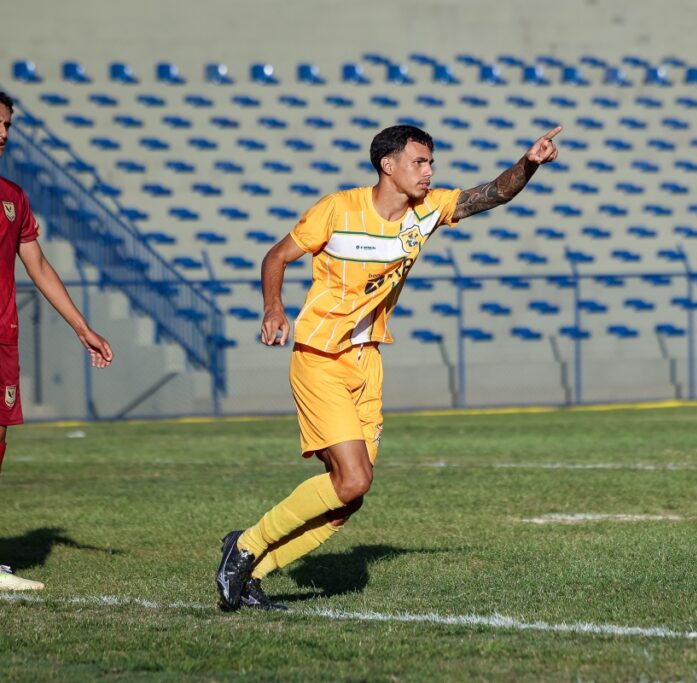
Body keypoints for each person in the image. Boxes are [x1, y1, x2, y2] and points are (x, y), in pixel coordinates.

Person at [215, 123, 561, 611]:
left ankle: (250, 566)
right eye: (419, 162)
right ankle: (247, 546)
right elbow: (277, 256)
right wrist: (274, 308)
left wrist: (528, 163)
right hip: (320, 358)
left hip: (366, 361)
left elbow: (493, 194)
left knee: (349, 497)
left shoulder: (427, 210)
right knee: (353, 480)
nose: (429, 171)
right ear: (388, 165)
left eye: (430, 162)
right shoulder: (338, 209)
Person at [0, 91, 114, 591]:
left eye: (7, 126)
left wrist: (82, 327)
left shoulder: (13, 197)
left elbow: (39, 265)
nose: (3, 135)